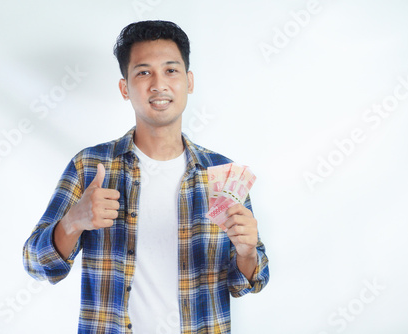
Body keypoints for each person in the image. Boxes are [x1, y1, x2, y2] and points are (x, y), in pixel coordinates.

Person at [23, 20, 269, 334]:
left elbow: (246, 283)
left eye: (171, 70)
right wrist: (72, 222)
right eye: (143, 72)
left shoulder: (222, 173)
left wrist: (247, 253)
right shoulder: (91, 166)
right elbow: (36, 265)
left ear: (189, 81)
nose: (158, 84)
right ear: (125, 88)